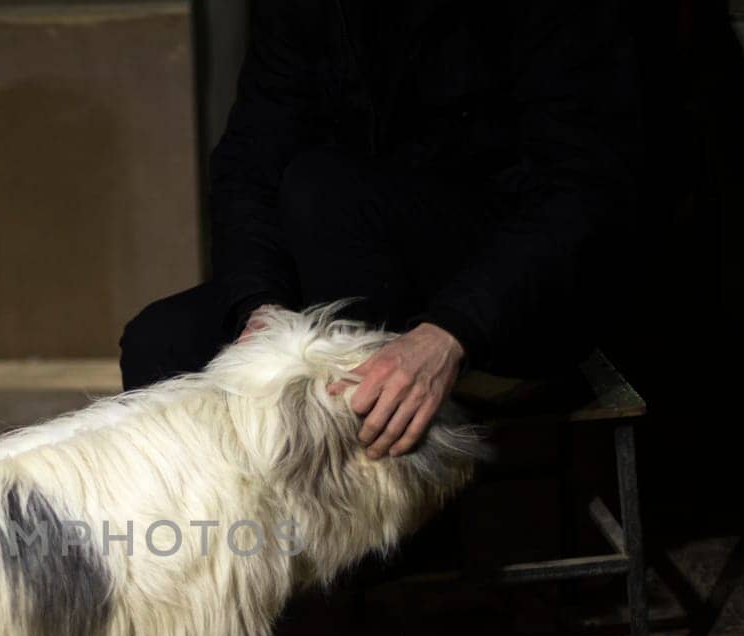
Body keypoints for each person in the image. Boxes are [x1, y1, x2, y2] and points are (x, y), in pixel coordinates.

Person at [119, 2, 641, 459]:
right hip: (349, 266)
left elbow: (586, 193)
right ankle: (233, 560)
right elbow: (249, 162)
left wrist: (448, 335)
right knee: (161, 343)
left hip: (516, 297)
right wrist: (261, 308)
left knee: (324, 189)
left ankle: (383, 549)